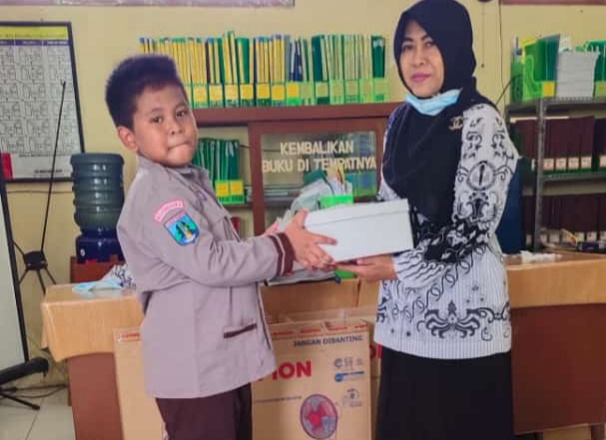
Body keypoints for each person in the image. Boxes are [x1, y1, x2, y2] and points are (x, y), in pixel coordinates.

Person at [105, 54, 335, 440]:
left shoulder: (185, 182)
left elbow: (218, 253)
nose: (175, 126)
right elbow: (211, 262)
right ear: (129, 137)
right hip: (197, 373)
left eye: (181, 112)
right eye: (157, 119)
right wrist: (283, 246)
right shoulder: (160, 196)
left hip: (216, 364)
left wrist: (278, 244)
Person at [338, 0, 519, 439]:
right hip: (406, 321)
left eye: (431, 44)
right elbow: (390, 207)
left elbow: (472, 225)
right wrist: (346, 240)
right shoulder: (401, 121)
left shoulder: (481, 121)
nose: (417, 59)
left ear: (455, 47)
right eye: (407, 46)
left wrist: (397, 267)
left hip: (465, 326)